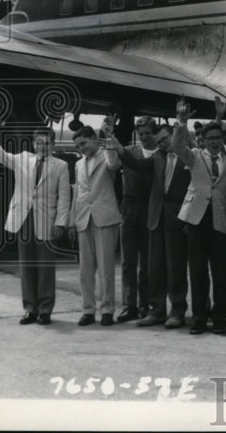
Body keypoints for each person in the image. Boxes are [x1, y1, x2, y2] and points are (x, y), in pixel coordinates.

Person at [0, 117, 71, 326]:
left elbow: (64, 197)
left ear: (53, 144)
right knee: (27, 266)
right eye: (39, 142)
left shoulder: (61, 166)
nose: (43, 146)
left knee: (45, 267)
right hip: (23, 219)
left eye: (47, 143)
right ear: (33, 143)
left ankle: (45, 310)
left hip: (47, 221)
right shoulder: (22, 159)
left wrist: (61, 223)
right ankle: (30, 309)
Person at [171, 110, 226, 335]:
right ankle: (199, 317)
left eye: (218, 139)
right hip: (196, 219)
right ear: (203, 140)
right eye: (210, 139)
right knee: (197, 270)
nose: (214, 143)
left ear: (222, 141)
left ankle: (219, 317)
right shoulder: (194, 156)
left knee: (221, 273)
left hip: (221, 221)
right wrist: (181, 122)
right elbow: (177, 145)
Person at [122, 123, 192, 328]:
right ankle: (156, 310)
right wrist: (119, 150)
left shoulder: (188, 156)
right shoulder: (158, 157)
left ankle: (177, 310)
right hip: (156, 219)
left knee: (176, 267)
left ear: (175, 136)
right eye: (159, 141)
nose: (162, 144)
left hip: (178, 219)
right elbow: (136, 165)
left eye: (165, 139)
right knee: (155, 267)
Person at [70, 122, 124, 326]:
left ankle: (108, 310)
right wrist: (72, 220)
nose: (81, 148)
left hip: (105, 216)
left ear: (93, 139)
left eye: (83, 143)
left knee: (106, 268)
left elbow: (114, 165)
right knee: (85, 270)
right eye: (78, 147)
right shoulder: (78, 164)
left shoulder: (106, 156)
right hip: (84, 218)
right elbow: (79, 192)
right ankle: (88, 310)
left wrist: (109, 137)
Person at [116, 116, 156, 322]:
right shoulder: (128, 150)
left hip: (150, 207)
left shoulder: (160, 154)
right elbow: (111, 164)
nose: (145, 137)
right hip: (129, 207)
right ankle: (128, 305)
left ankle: (145, 304)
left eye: (148, 133)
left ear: (154, 133)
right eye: (141, 134)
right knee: (127, 261)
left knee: (146, 261)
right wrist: (108, 136)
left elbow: (138, 165)